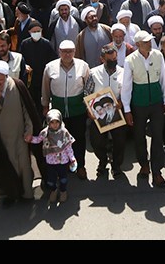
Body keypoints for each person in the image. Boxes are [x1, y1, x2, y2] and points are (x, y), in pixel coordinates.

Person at [0, 60, 42, 204]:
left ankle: (27, 194)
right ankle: (11, 194)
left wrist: (29, 130)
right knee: (8, 166)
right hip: (2, 138)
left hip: (21, 135)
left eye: (1, 80)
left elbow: (27, 110)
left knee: (24, 165)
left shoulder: (17, 85)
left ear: (6, 76)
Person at [121, 29, 165, 188]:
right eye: (146, 42)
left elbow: (163, 79)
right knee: (139, 135)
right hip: (139, 103)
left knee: (157, 136)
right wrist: (127, 109)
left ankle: (157, 171)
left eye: (150, 41)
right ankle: (144, 164)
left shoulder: (158, 55)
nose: (149, 44)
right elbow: (126, 86)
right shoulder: (130, 60)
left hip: (156, 102)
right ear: (138, 44)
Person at [41, 40, 90, 179]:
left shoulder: (83, 66)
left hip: (78, 111)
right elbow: (45, 88)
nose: (68, 54)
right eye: (64, 51)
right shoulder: (50, 67)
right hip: (58, 112)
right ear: (59, 52)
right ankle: (62, 167)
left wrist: (89, 107)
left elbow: (89, 87)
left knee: (78, 139)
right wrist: (45, 105)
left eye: (70, 51)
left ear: (74, 52)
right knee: (58, 141)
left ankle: (80, 166)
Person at [84, 44, 126, 177]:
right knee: (96, 141)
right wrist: (88, 110)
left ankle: (116, 165)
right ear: (102, 59)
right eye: (110, 60)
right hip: (98, 115)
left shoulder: (123, 72)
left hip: (116, 113)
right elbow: (86, 92)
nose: (113, 62)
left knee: (120, 141)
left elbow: (127, 92)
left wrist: (122, 102)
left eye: (115, 59)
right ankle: (102, 160)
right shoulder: (93, 72)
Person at [28, 109, 77, 204]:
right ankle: (53, 190)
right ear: (48, 122)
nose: (54, 125)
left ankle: (63, 191)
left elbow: (68, 147)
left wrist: (72, 158)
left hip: (62, 161)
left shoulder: (64, 132)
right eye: (52, 122)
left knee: (63, 178)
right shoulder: (45, 133)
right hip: (51, 161)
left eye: (57, 122)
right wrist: (30, 139)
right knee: (51, 180)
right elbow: (38, 140)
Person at [20, 20, 57, 115]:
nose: (36, 33)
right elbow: (20, 59)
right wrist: (25, 66)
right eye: (34, 31)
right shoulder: (25, 44)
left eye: (38, 31)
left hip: (43, 78)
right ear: (29, 32)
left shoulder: (47, 44)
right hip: (30, 79)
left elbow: (53, 60)